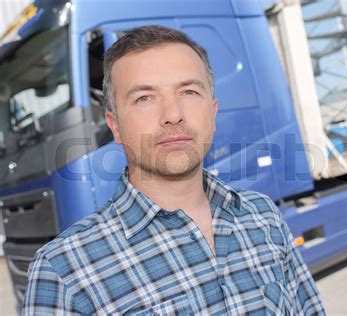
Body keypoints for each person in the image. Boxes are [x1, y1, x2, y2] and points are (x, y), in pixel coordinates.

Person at [23, 25, 325, 315]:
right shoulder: (64, 271)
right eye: (145, 98)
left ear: (213, 110)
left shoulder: (263, 217)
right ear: (115, 127)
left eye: (189, 92)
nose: (173, 115)